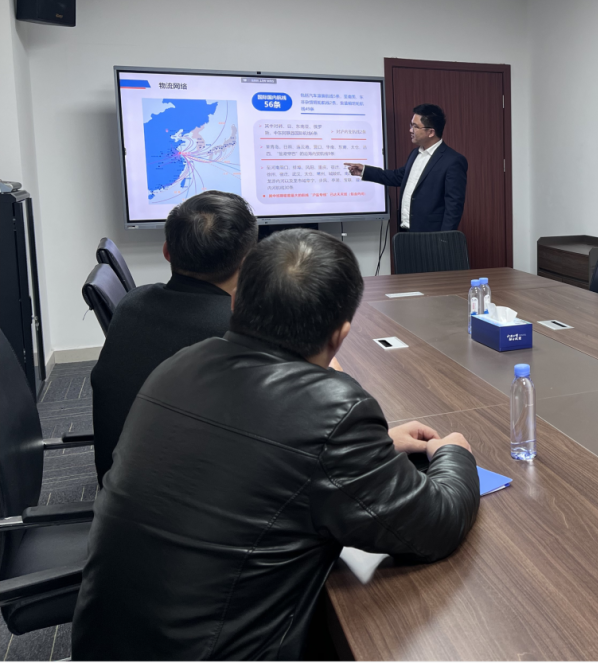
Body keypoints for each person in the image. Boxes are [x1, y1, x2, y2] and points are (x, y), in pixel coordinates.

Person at [73, 229, 480, 661]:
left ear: (234, 303)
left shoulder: (179, 364)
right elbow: (435, 524)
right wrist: (454, 452)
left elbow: (258, 450)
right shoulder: (332, 412)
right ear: (340, 336)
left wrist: (374, 446)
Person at [89, 190, 258, 487]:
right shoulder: (243, 331)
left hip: (119, 485)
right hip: (194, 500)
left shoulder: (131, 303)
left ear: (167, 251)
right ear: (249, 262)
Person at [345, 103, 467, 231]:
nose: (410, 130)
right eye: (411, 125)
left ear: (431, 132)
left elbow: (454, 206)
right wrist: (364, 171)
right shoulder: (415, 154)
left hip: (431, 235)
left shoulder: (452, 161)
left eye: (415, 126)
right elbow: (398, 177)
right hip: (406, 232)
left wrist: (445, 238)